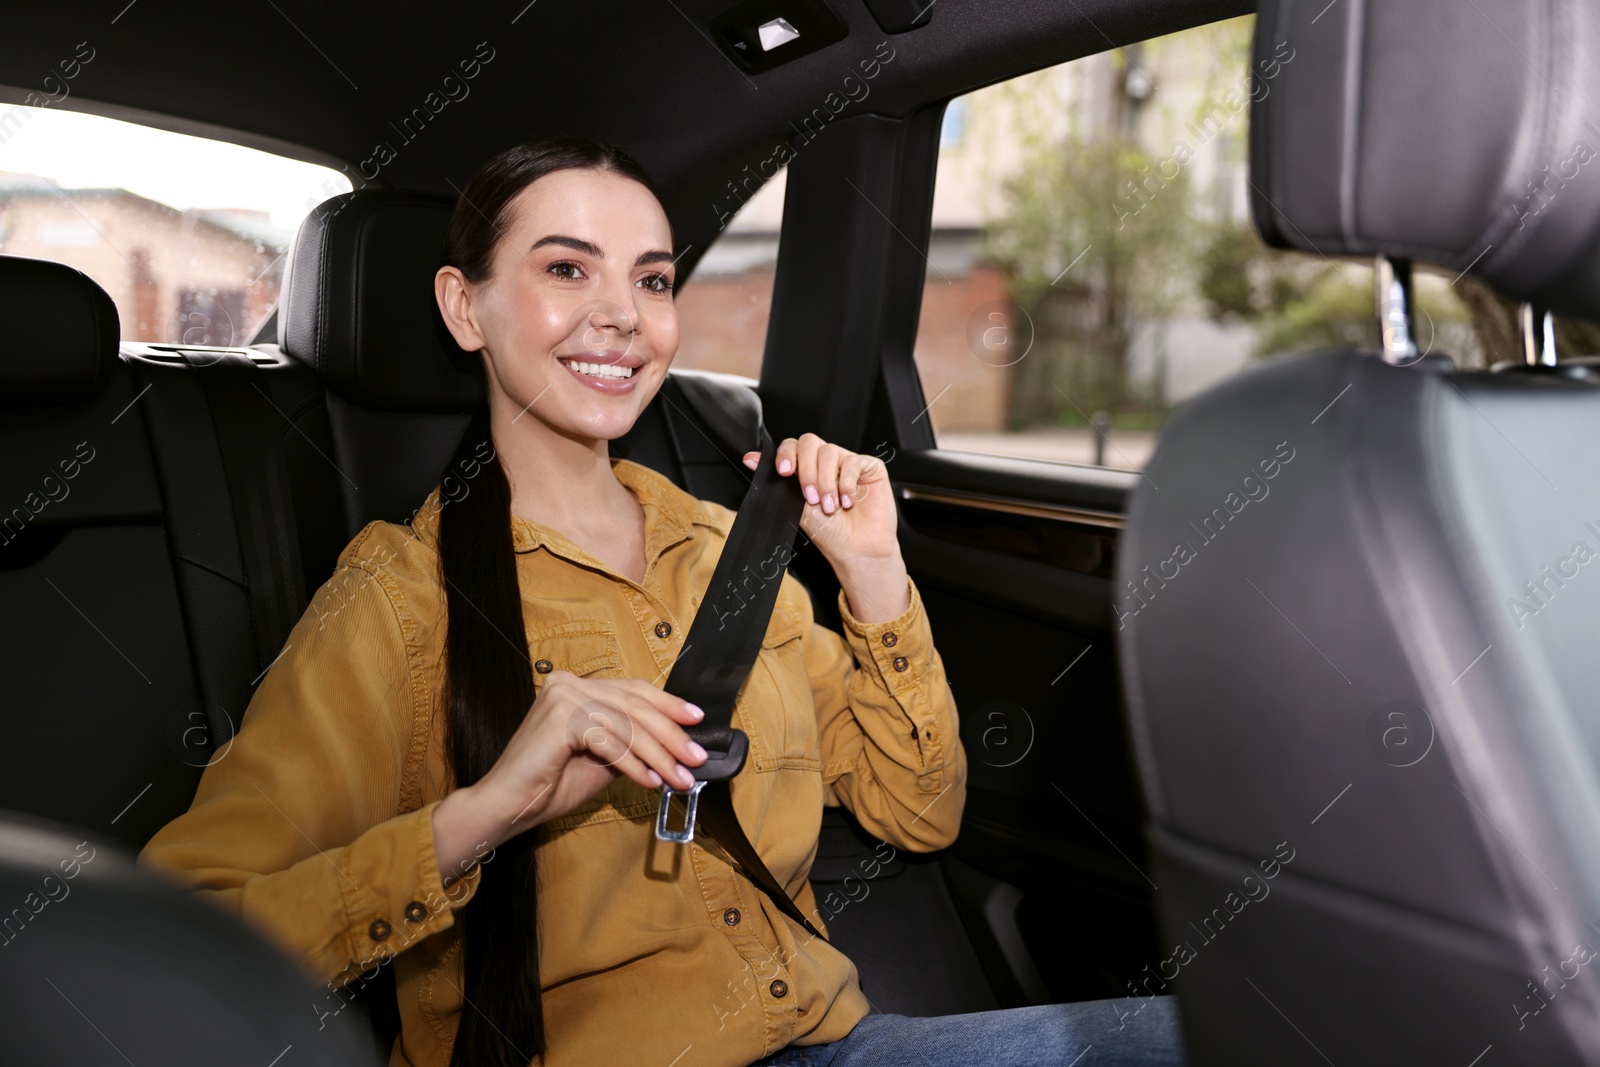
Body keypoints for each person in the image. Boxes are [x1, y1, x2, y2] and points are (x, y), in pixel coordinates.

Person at [139, 137, 1186, 1067]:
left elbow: (918, 809)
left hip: (828, 1041)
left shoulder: (729, 548)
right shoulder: (398, 599)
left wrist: (874, 573)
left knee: (1238, 1031)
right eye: (564, 268)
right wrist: (482, 812)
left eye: (651, 278)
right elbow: (180, 937)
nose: (620, 317)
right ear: (466, 306)